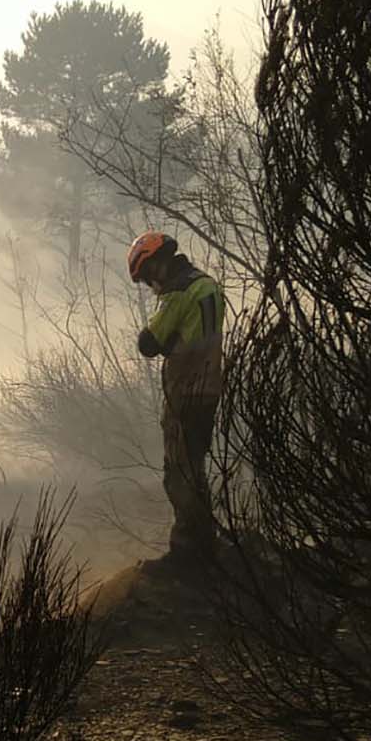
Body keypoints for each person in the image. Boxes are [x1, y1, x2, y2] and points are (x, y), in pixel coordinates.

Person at [128, 231, 225, 564]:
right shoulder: (207, 283)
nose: (149, 286)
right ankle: (206, 544)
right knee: (195, 468)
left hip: (185, 391)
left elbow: (148, 342)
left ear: (155, 263)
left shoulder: (178, 292)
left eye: (145, 278)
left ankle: (187, 552)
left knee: (179, 471)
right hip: (210, 389)